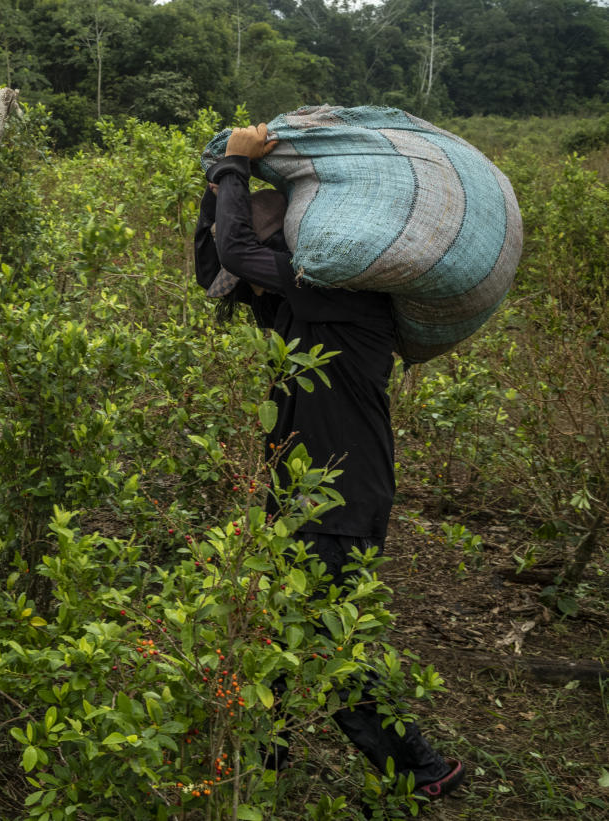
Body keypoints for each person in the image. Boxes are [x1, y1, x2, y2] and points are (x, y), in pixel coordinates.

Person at [194, 123, 465, 803]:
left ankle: (420, 768)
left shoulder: (338, 292)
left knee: (324, 645)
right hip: (307, 493)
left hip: (338, 499)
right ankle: (262, 764)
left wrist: (234, 165)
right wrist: (216, 182)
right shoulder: (301, 305)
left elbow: (238, 247)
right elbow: (219, 267)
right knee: (280, 631)